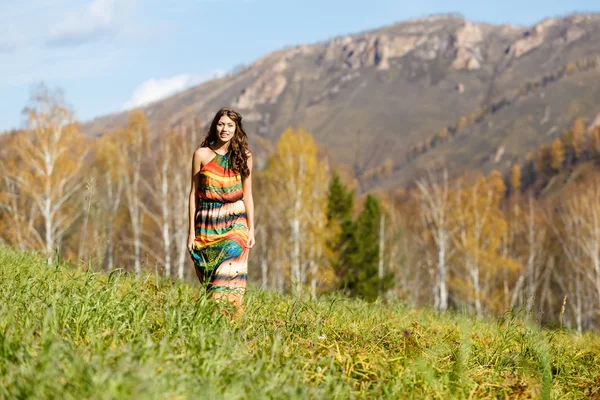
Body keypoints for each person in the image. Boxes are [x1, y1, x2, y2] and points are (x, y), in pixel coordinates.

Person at [187, 107, 255, 315]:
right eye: (221, 124)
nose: (225, 129)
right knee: (212, 280)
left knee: (230, 274)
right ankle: (215, 327)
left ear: (237, 129)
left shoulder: (244, 156)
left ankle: (232, 323)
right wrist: (191, 232)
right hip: (207, 226)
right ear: (215, 126)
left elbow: (248, 195)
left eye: (230, 125)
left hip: (236, 225)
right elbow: (193, 194)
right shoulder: (201, 155)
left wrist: (251, 229)